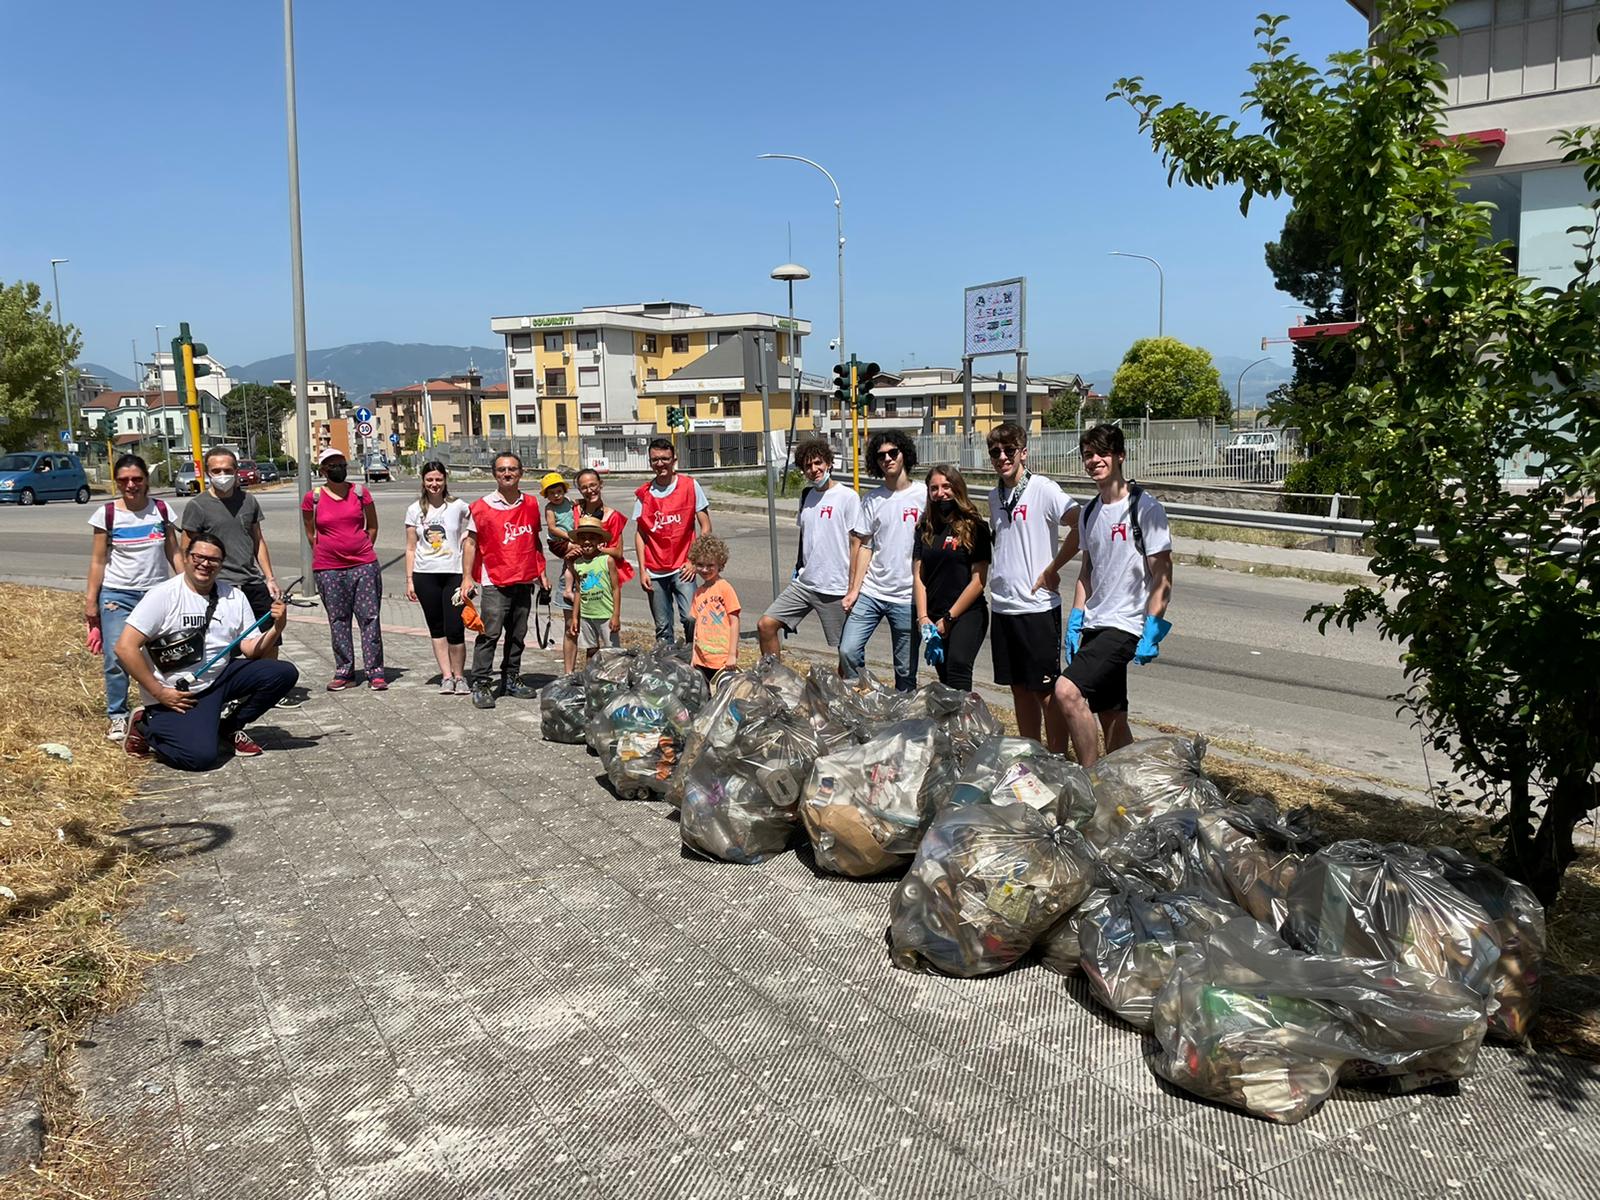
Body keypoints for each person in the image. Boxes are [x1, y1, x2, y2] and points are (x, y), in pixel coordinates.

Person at [118, 532, 299, 769]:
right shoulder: (163, 595)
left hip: (219, 678)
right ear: (186, 557)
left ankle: (227, 727)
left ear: (221, 564)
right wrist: (159, 692)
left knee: (282, 673)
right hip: (177, 693)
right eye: (198, 557)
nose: (205, 564)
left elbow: (251, 650)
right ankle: (145, 726)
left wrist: (277, 628)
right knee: (200, 758)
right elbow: (125, 647)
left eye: (213, 560)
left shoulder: (234, 596)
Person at [1049, 424, 1174, 766]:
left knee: (1066, 691)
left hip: (1125, 625)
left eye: (1102, 453)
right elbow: (1088, 571)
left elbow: (1162, 573)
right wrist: (1076, 618)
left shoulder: (1145, 508)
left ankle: (1092, 780)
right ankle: (1130, 784)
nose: (1094, 461)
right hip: (1095, 623)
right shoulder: (1089, 513)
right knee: (1111, 716)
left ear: (1120, 456)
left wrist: (1151, 626)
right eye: (1088, 455)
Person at [984, 421, 1079, 749]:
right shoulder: (993, 495)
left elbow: (1079, 523)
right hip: (1003, 604)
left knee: (1045, 691)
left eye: (1009, 450)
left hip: (1036, 606)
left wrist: (1054, 567)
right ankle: (1031, 753)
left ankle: (1055, 759)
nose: (1002, 457)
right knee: (1018, 687)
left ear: (1023, 452)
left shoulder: (1043, 488)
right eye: (995, 452)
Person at [85, 454, 182, 740]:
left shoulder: (162, 510)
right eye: (124, 480)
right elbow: (98, 560)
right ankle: (117, 714)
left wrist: (183, 587)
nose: (131, 485)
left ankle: (159, 706)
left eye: (137, 479)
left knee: (163, 654)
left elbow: (174, 552)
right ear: (116, 483)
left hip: (156, 593)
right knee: (118, 657)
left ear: (146, 481)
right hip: (118, 595)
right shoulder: (107, 515)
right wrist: (92, 602)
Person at [180, 447, 287, 671]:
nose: (222, 475)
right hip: (218, 584)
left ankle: (269, 681)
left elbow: (258, 540)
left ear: (237, 470)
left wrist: (269, 577)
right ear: (208, 473)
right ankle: (229, 686)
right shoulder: (197, 506)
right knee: (223, 639)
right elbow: (186, 549)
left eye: (227, 470)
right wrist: (189, 585)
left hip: (250, 581)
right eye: (216, 470)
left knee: (269, 633)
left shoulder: (248, 501)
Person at [757, 438, 862, 660]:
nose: (813, 470)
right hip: (805, 584)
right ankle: (774, 680)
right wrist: (799, 568)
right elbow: (806, 537)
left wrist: (853, 588)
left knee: (846, 651)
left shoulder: (848, 497)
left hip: (835, 589)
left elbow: (856, 544)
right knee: (766, 625)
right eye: (807, 466)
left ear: (829, 463)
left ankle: (848, 692)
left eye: (817, 463)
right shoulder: (807, 495)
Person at [460, 452, 548, 709]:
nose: (507, 473)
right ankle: (481, 683)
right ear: (494, 474)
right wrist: (467, 577)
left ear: (521, 473)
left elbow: (534, 541)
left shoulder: (531, 504)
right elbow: (471, 544)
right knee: (490, 633)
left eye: (511, 469)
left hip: (523, 578)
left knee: (518, 634)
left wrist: (541, 571)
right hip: (494, 580)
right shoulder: (481, 507)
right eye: (501, 470)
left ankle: (511, 678)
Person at [839, 430, 926, 691]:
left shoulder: (924, 495)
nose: (887, 459)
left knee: (905, 671)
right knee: (848, 650)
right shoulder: (872, 499)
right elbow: (865, 545)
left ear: (904, 454)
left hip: (907, 597)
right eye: (881, 456)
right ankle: (864, 699)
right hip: (872, 592)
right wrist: (854, 590)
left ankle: (902, 722)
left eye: (893, 453)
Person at [301, 448, 385, 691]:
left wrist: (362, 549)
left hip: (364, 565)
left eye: (341, 463)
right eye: (332, 465)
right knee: (338, 620)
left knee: (370, 618)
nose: (338, 468)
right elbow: (310, 531)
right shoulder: (313, 498)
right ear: (323, 470)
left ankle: (375, 671)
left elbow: (373, 526)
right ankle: (344, 671)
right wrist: (326, 552)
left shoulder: (360, 493)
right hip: (328, 568)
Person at [912, 465, 991, 693]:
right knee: (945, 678)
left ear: (957, 488)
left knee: (957, 667)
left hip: (966, 614)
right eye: (934, 488)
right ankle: (949, 727)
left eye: (946, 486)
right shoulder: (924, 527)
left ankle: (963, 727)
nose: (940, 493)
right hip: (933, 617)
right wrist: (923, 618)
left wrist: (949, 617)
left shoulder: (976, 526)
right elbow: (919, 576)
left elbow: (979, 581)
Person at [405, 461, 474, 695]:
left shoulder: (457, 506)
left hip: (454, 573)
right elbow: (411, 548)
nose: (434, 484)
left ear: (445, 480)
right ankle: (446, 676)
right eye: (430, 480)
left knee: (455, 627)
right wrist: (409, 580)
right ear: (423, 481)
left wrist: (466, 535)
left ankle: (460, 676)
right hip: (425, 575)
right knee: (436, 628)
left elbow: (478, 519)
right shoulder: (415, 509)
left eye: (438, 479)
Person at [633, 438, 711, 644]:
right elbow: (640, 534)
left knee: (691, 617)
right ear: (650, 462)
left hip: (683, 567)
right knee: (662, 627)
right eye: (655, 460)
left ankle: (693, 664)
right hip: (654, 569)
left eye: (665, 459)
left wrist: (694, 560)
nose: (660, 464)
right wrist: (642, 570)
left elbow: (705, 526)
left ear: (674, 459)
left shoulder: (690, 485)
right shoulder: (644, 493)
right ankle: (666, 669)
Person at [570, 467, 632, 663]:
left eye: (593, 485)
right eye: (584, 487)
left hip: (603, 576)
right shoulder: (575, 509)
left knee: (610, 647)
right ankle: (578, 676)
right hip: (579, 571)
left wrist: (594, 549)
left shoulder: (612, 516)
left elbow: (618, 552)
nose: (590, 490)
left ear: (600, 485)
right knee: (580, 635)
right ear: (579, 490)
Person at [687, 535, 739, 685]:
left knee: (722, 697)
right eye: (700, 564)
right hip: (702, 658)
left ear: (720, 564)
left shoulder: (725, 588)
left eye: (710, 565)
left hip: (723, 660)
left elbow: (734, 621)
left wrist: (732, 654)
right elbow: (696, 626)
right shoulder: (698, 592)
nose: (705, 569)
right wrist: (694, 657)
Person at [567, 516, 620, 661]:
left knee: (612, 651)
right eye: (583, 538)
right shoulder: (578, 563)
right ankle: (590, 678)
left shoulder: (607, 560)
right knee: (591, 649)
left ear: (599, 541)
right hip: (587, 614)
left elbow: (616, 588)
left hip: (605, 614)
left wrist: (615, 615)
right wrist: (575, 617)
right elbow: (578, 590)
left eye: (592, 538)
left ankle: (614, 681)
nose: (587, 542)